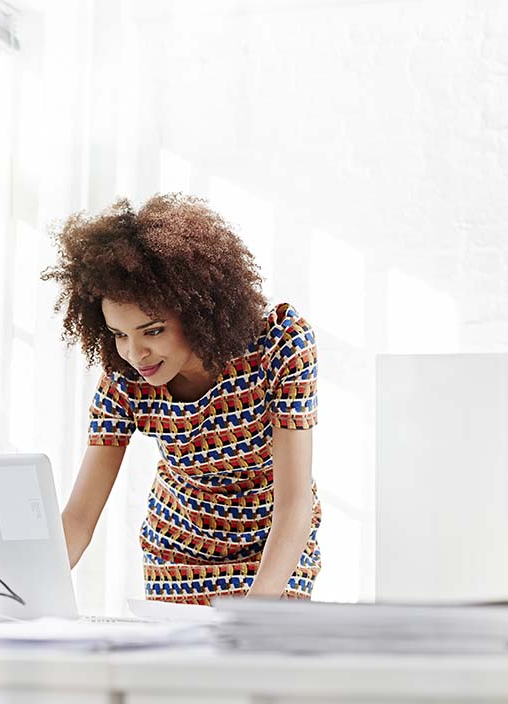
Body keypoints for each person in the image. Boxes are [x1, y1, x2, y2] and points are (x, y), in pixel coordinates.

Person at [42, 193, 321, 604]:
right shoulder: (126, 378)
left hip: (274, 544)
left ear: (197, 311)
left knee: (258, 662)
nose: (136, 354)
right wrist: (21, 593)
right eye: (120, 335)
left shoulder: (280, 343)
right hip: (177, 555)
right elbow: (80, 517)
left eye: (152, 330)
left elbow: (295, 502)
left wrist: (255, 611)